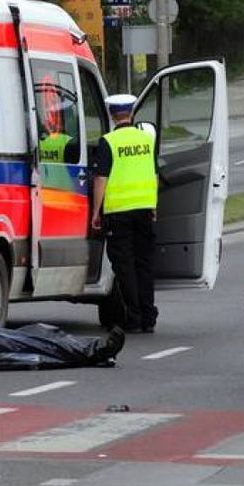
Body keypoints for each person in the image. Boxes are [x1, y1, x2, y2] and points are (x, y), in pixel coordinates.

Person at [90, 93, 159, 334]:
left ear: (111, 115)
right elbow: (154, 174)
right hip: (144, 210)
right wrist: (153, 205)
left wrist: (96, 212)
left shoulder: (108, 142)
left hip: (118, 212)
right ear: (131, 113)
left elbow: (101, 179)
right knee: (144, 264)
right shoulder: (146, 140)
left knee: (125, 266)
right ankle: (149, 317)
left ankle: (134, 317)